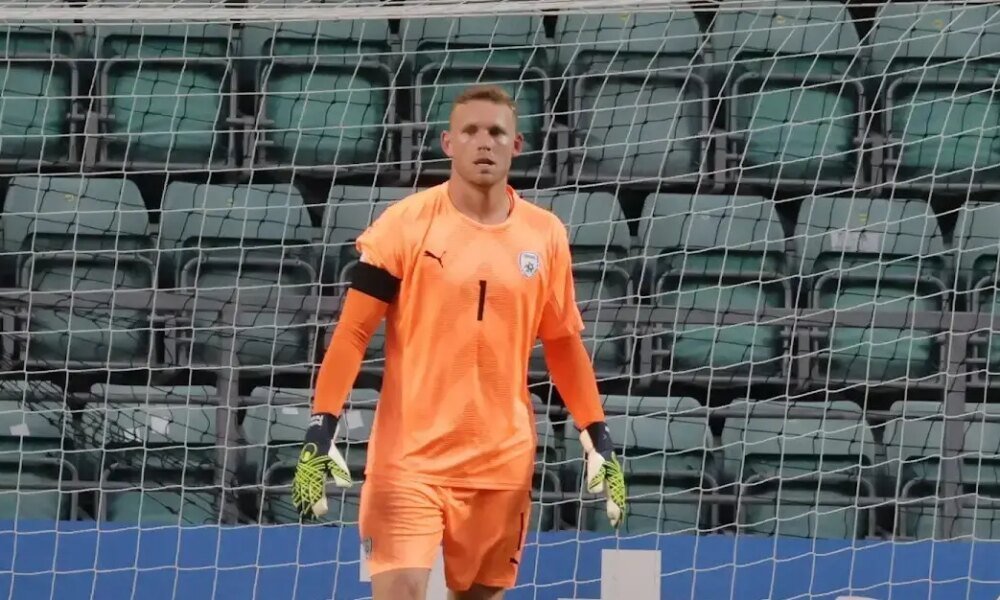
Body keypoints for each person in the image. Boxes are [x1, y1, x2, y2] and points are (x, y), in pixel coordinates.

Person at [290, 84, 627, 600]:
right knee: (401, 591)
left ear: (517, 145)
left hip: (501, 464)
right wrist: (322, 426)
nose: (483, 142)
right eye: (470, 131)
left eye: (496, 132)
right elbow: (354, 332)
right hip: (409, 461)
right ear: (448, 143)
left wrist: (597, 435)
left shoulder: (546, 235)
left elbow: (562, 342)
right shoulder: (405, 224)